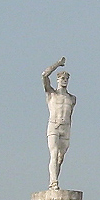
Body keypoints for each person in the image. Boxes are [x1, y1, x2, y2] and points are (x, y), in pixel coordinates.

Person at [42, 57, 75, 190]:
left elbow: (70, 115)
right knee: (54, 154)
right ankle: (53, 182)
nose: (64, 81)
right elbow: (44, 75)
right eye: (62, 79)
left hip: (65, 128)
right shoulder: (51, 94)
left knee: (60, 158)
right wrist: (58, 64)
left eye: (66, 79)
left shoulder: (72, 98)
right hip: (54, 125)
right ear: (58, 80)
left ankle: (54, 180)